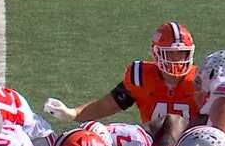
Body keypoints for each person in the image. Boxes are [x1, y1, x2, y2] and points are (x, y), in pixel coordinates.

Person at [44, 22, 200, 126]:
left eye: (181, 53)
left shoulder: (201, 79)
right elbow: (104, 106)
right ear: (156, 52)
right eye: (171, 53)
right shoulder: (140, 77)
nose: (177, 59)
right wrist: (73, 113)